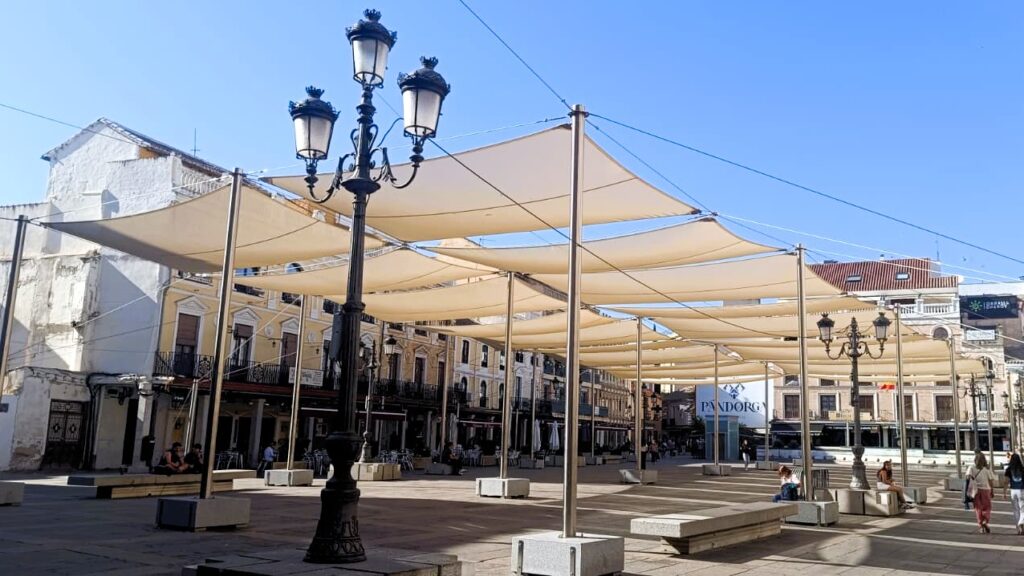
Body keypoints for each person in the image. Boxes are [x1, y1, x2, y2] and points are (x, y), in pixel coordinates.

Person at [967, 452, 997, 534]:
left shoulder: (971, 468)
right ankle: (985, 521)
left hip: (975, 491)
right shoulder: (987, 469)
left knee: (978, 508)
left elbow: (967, 478)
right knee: (987, 507)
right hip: (986, 490)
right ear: (984, 460)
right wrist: (992, 491)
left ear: (975, 460)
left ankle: (981, 526)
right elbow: (991, 481)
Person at [1003, 452, 1024, 535]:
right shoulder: (1023, 469)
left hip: (1013, 491)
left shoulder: (1008, 469)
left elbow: (1005, 482)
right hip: (1022, 490)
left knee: (1016, 510)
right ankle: (1021, 523)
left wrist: (1004, 492)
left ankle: (1019, 529)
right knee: (1023, 509)